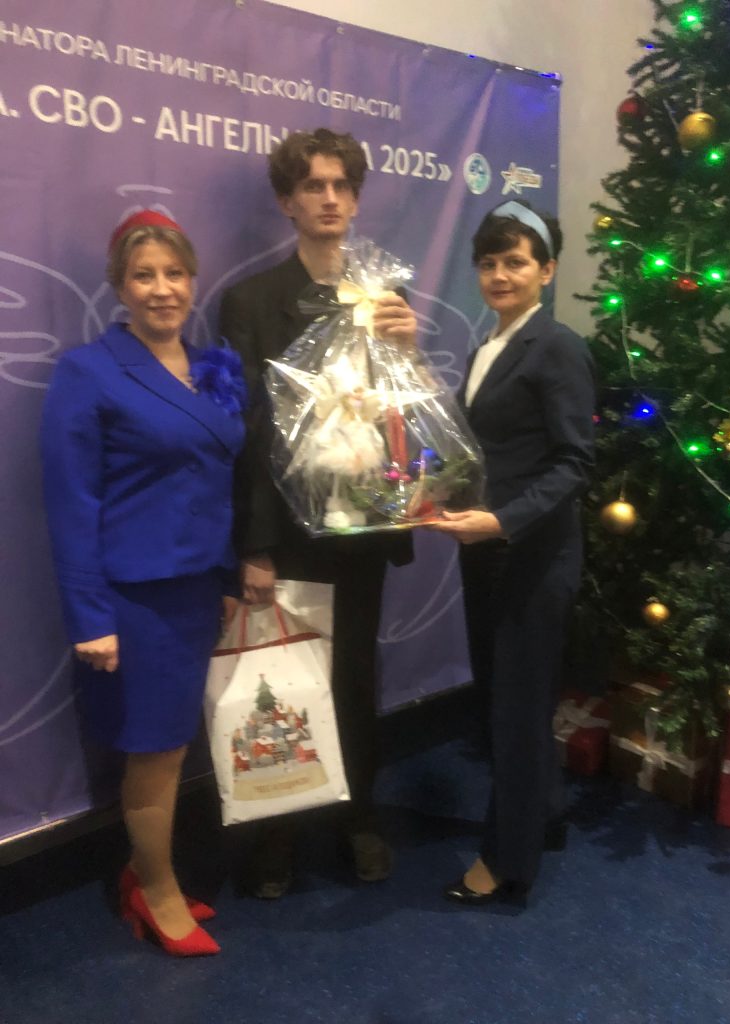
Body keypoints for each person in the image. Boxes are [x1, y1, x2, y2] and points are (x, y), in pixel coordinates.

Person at [40, 210, 245, 955]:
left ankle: (145, 871)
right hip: (135, 600)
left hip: (198, 589)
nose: (163, 289)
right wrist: (89, 618)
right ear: (119, 286)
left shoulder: (213, 368)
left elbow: (219, 483)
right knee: (155, 750)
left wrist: (229, 575)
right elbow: (70, 504)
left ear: (193, 279)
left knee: (176, 746)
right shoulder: (89, 371)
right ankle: (155, 890)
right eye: (144, 275)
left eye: (175, 273)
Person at [219, 128, 417, 898]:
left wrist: (409, 351)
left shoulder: (384, 299)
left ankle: (359, 816)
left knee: (355, 679)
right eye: (313, 186)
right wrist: (256, 545)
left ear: (356, 200)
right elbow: (248, 434)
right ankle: (277, 833)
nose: (329, 199)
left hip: (360, 527)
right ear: (287, 202)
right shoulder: (251, 301)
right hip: (289, 534)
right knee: (283, 680)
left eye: (341, 186)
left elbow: (403, 414)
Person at [428, 201, 595, 905]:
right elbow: (487, 451)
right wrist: (435, 489)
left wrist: (501, 521)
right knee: (507, 698)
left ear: (546, 271)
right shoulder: (488, 348)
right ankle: (543, 814)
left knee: (515, 711)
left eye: (516, 262)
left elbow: (574, 462)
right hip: (489, 552)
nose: (500, 274)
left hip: (532, 557)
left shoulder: (556, 346)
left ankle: (506, 862)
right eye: (489, 262)